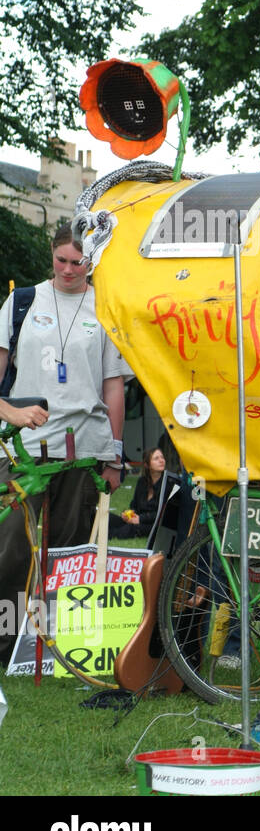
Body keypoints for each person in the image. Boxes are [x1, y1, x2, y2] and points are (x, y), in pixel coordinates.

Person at [0, 223, 130, 663]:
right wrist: (11, 412)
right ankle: (6, 645)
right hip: (25, 448)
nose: (69, 269)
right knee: (14, 549)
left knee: (71, 551)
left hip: (86, 448)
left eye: (79, 262)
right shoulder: (22, 302)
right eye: (62, 260)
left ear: (92, 262)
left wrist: (114, 454)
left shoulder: (106, 306)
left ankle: (57, 645)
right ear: (51, 253)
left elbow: (114, 386)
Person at [109, 447, 168, 540]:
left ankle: (109, 534)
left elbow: (163, 514)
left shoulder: (167, 483)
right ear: (147, 465)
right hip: (137, 520)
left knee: (130, 529)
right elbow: (134, 505)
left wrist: (140, 519)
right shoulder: (142, 482)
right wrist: (129, 514)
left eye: (162, 457)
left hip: (153, 525)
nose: (161, 460)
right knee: (109, 518)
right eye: (156, 458)